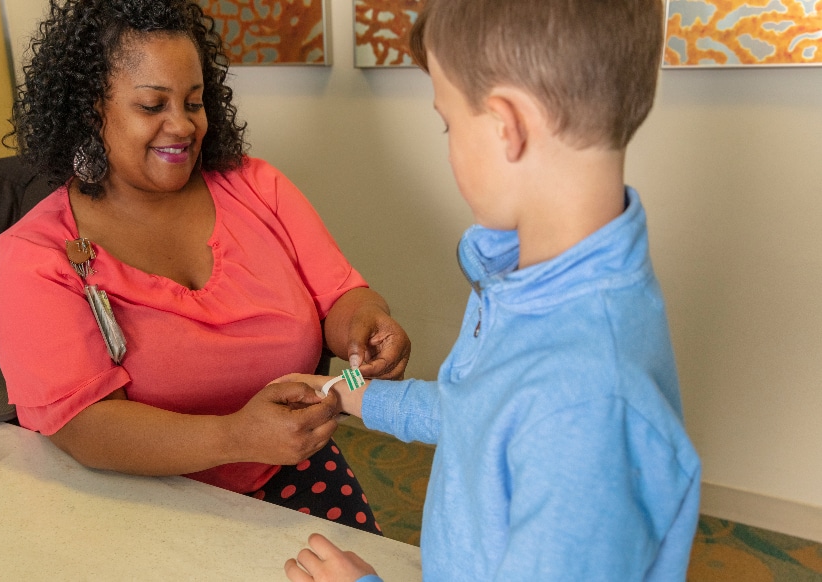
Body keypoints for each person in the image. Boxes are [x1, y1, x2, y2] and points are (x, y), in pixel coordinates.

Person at [282, 0, 701, 579]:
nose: (448, 141)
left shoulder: (590, 401)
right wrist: (343, 387)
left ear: (508, 126)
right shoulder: (529, 286)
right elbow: (477, 409)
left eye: (449, 123)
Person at [0, 0, 410, 534]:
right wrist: (234, 436)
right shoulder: (38, 255)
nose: (183, 126)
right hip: (138, 507)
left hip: (291, 474)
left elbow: (342, 296)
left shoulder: (258, 188)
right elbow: (85, 428)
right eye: (152, 105)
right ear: (89, 109)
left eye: (194, 101)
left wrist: (366, 325)